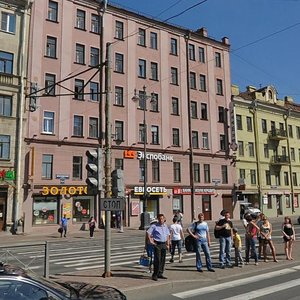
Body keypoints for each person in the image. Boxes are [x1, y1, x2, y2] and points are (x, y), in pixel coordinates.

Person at [147, 214, 170, 281]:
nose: (161, 220)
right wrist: (151, 240)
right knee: (157, 260)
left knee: (163, 260)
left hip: (164, 244)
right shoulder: (154, 226)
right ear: (158, 219)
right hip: (157, 244)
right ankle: (155, 274)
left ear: (164, 219)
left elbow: (168, 235)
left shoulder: (165, 226)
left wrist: (168, 244)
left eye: (162, 219)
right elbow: (148, 232)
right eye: (159, 219)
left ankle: (160, 273)